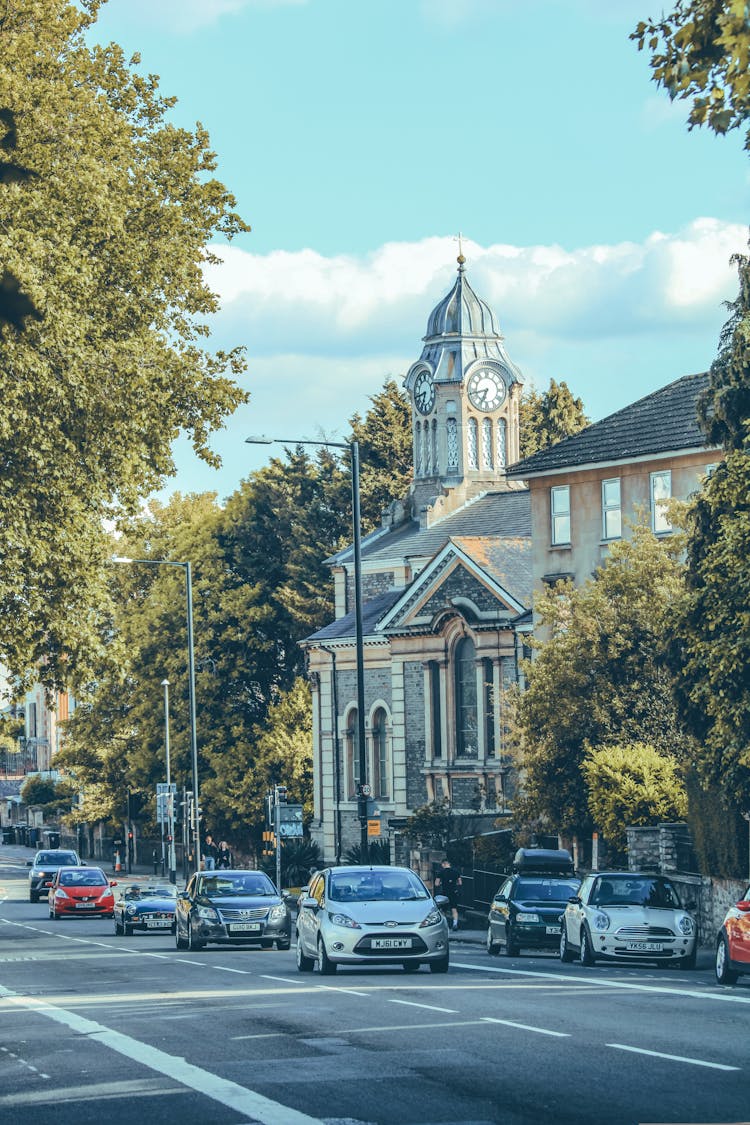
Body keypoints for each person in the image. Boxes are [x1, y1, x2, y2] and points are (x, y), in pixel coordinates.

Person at [435, 857, 462, 930]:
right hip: (453, 892)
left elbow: (436, 884)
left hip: (444, 893)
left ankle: (445, 924)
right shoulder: (456, 872)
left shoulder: (440, 873)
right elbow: (460, 883)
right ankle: (455, 924)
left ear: (444, 864)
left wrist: (441, 883)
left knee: (444, 910)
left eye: (442, 865)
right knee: (454, 909)